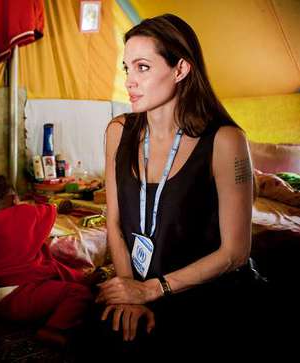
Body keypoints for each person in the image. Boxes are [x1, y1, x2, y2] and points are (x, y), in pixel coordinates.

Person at [81, 14, 268, 358]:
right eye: (126, 68)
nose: (129, 82)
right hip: (142, 285)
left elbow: (236, 253)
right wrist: (128, 290)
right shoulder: (118, 132)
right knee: (99, 334)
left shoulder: (225, 141)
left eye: (142, 67)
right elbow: (114, 223)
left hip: (208, 291)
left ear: (180, 70)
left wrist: (151, 290)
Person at [0, 173, 93, 347]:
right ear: (13, 198)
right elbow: (51, 210)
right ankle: (54, 330)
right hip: (22, 297)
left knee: (46, 269)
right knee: (78, 292)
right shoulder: (24, 212)